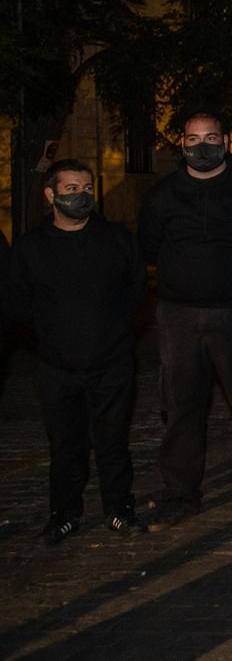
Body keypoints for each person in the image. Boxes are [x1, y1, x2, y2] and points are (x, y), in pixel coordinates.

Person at [137, 111, 232, 530]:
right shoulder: (163, 195)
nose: (202, 146)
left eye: (211, 137)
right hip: (179, 316)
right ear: (180, 144)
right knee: (181, 407)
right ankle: (181, 494)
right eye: (193, 138)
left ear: (226, 140)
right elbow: (148, 246)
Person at [7, 159, 147, 542]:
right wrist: (48, 342)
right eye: (70, 189)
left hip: (112, 362)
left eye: (86, 188)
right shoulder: (30, 248)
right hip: (57, 366)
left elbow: (136, 289)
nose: (80, 196)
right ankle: (64, 514)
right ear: (51, 195)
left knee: (113, 441)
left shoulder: (116, 239)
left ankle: (119, 509)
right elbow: (17, 305)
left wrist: (116, 332)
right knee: (65, 445)